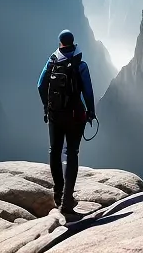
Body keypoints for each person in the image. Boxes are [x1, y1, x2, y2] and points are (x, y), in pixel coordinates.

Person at [37, 29, 96, 213]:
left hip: (55, 115)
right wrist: (91, 111)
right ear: (73, 42)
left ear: (60, 43)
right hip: (75, 116)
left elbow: (40, 85)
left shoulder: (52, 61)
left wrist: (47, 106)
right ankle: (67, 201)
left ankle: (58, 195)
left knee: (54, 151)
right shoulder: (81, 65)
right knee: (72, 154)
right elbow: (87, 91)